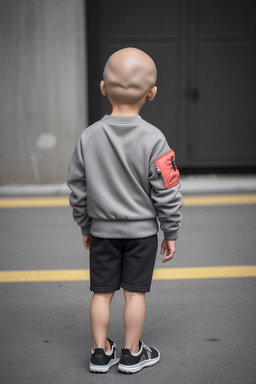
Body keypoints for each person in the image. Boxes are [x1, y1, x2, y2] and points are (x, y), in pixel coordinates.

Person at [67, 47, 183, 374]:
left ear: (103, 88)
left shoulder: (88, 137)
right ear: (152, 93)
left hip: (103, 232)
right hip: (143, 234)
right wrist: (170, 231)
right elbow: (168, 191)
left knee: (101, 294)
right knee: (135, 294)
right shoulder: (155, 140)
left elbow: (77, 187)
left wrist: (86, 225)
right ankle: (132, 354)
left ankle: (100, 353)